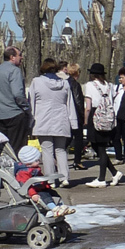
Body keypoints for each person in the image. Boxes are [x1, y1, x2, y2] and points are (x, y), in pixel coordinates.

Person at [28, 57, 76, 188]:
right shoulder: (64, 83)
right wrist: (73, 122)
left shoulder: (36, 82)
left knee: (47, 151)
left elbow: (31, 102)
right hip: (61, 119)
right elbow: (69, 104)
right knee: (61, 150)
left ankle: (50, 180)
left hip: (43, 119)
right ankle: (64, 177)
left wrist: (30, 121)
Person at [83, 63, 122, 188]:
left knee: (99, 147)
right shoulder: (109, 86)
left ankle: (101, 178)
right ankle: (114, 173)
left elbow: (88, 106)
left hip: (96, 116)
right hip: (108, 117)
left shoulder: (90, 85)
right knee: (101, 147)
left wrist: (85, 120)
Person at [15, 145, 74, 218]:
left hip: (40, 188)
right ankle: (54, 209)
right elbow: (26, 185)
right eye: (36, 160)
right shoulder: (23, 172)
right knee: (45, 196)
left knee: (54, 193)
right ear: (28, 162)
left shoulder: (34, 169)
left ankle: (61, 207)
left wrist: (46, 185)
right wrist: (33, 194)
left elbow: (41, 178)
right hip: (34, 191)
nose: (39, 162)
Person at [0, 47, 29, 150]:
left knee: (3, 148)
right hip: (14, 113)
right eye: (19, 55)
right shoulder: (14, 71)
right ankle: (16, 165)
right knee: (17, 148)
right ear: (12, 57)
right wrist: (26, 107)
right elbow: (17, 94)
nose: (22, 57)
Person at [63, 63, 87, 170]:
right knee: (78, 139)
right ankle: (77, 161)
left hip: (66, 114)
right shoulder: (75, 84)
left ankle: (57, 157)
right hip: (76, 114)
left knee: (67, 138)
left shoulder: (64, 82)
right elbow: (78, 102)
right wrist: (82, 115)